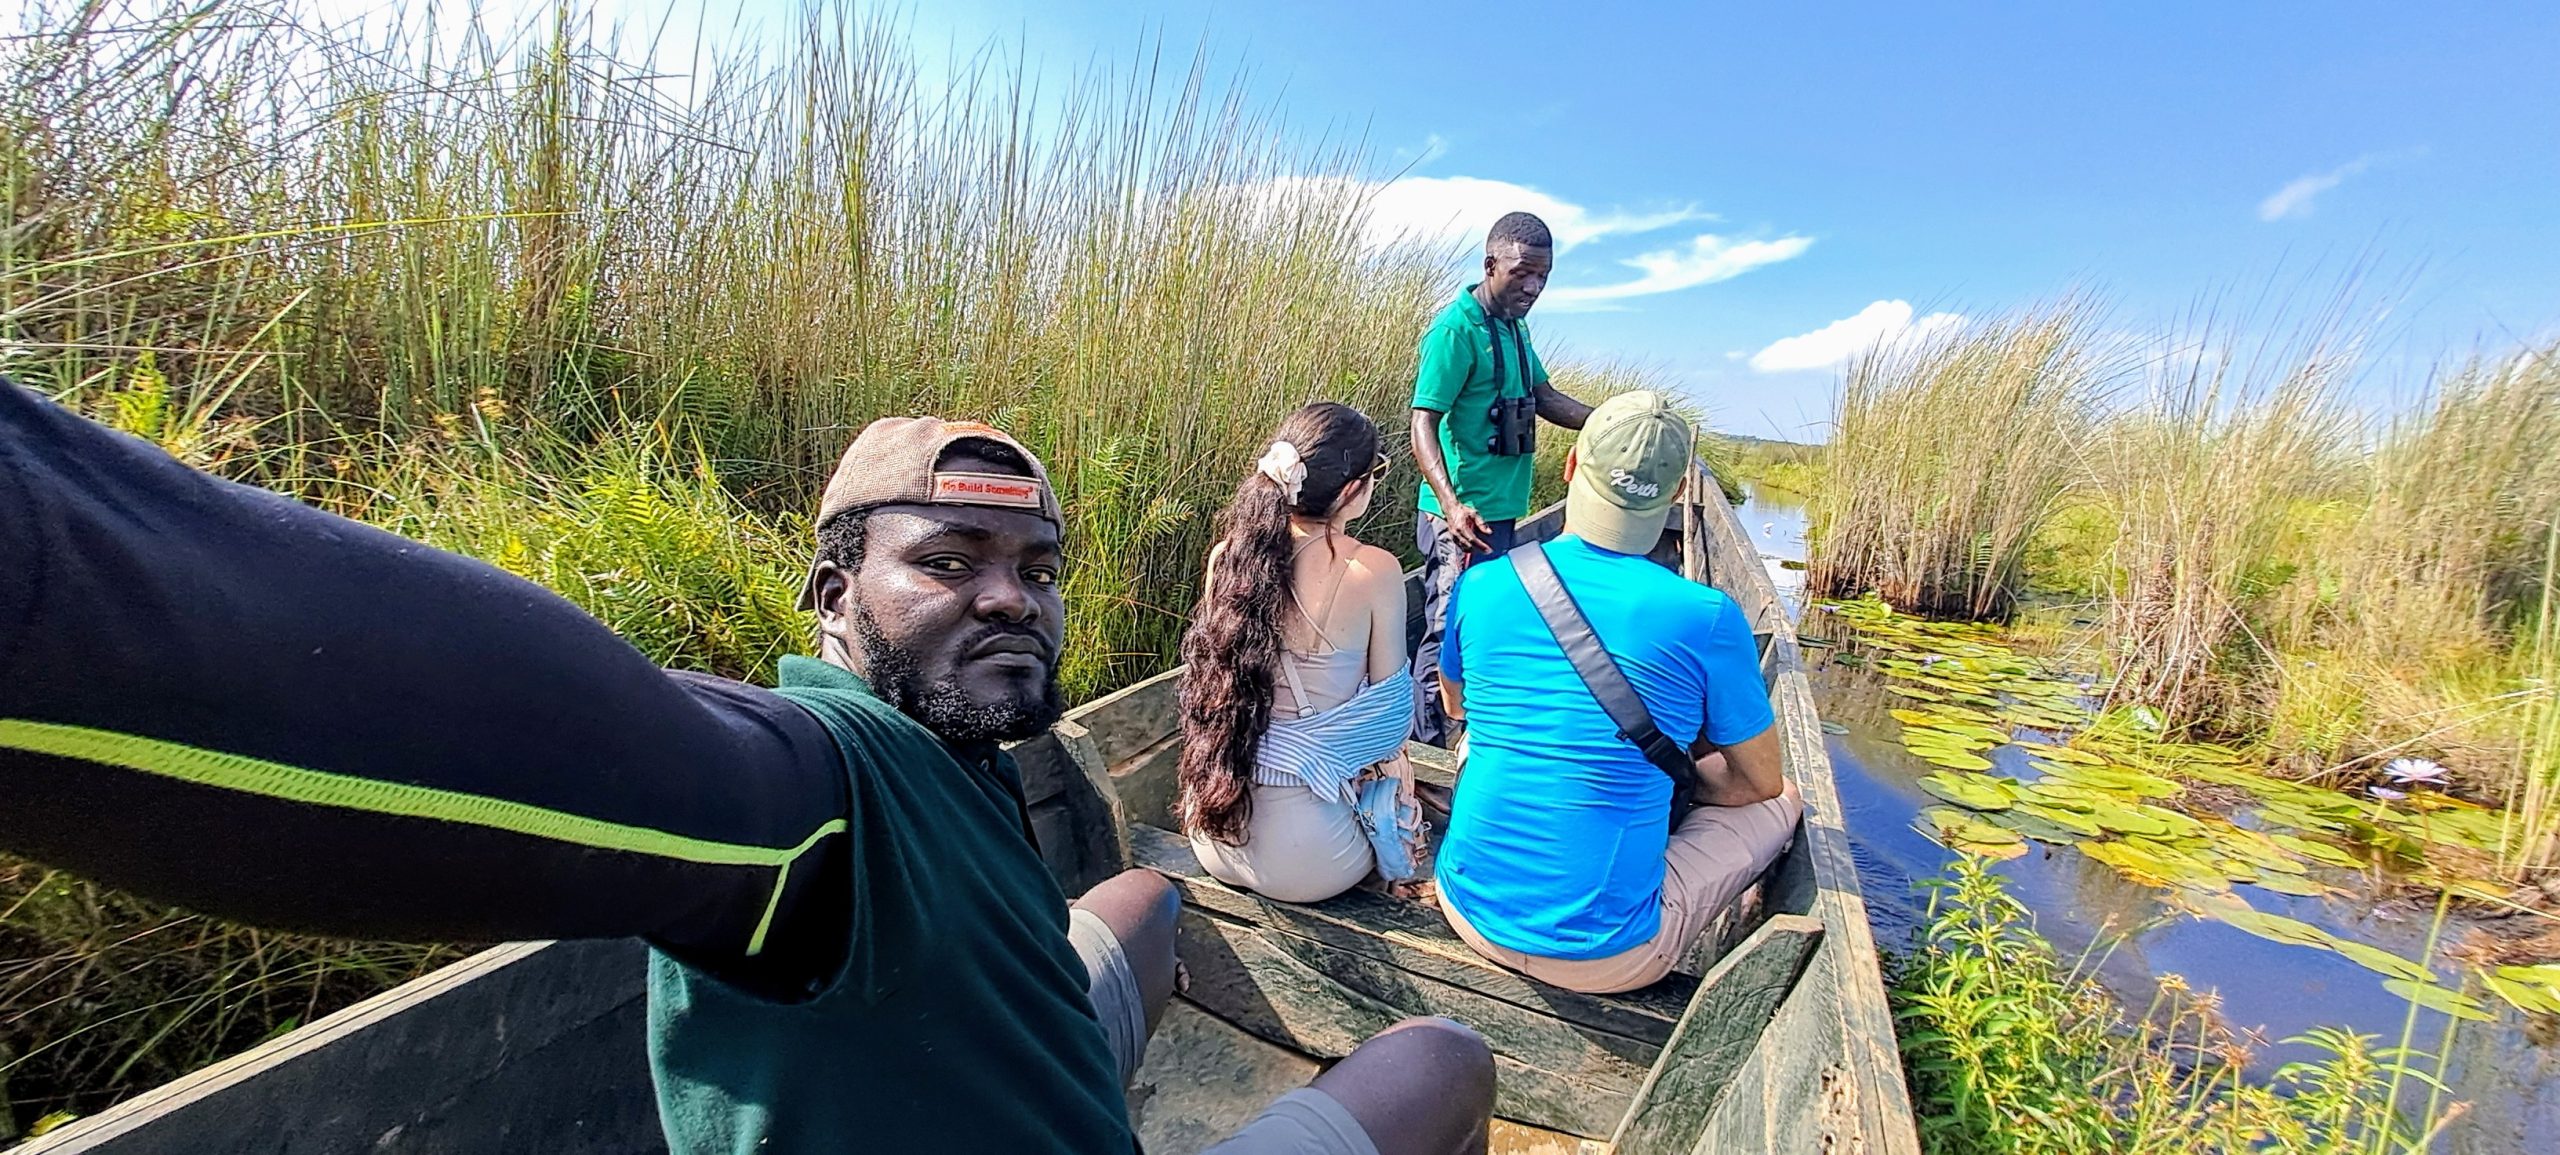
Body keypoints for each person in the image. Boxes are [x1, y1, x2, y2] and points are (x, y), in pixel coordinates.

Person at [0, 379, 1496, 1155]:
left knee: (1143, 905)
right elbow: (478, 710)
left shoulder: (952, 741)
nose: (1011, 599)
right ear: (832, 594)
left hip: (1004, 1070)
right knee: (1442, 1058)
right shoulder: (807, 784)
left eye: (1036, 568)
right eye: (947, 561)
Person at [1429, 391, 1803, 995]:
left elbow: (1455, 706)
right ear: (1677, 492)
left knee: (1482, 736)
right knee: (1783, 798)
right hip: (1607, 960)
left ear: (1572, 465)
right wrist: (1687, 782)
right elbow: (1758, 782)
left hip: (1467, 909)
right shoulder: (1708, 615)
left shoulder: (1483, 582)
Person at [1176, 403, 1419, 904]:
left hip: (1214, 828)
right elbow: (1391, 721)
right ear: (1351, 489)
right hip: (1311, 860)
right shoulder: (1372, 569)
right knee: (1398, 774)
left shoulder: (1228, 558)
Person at [1408, 211, 1593, 747]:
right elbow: (1423, 421)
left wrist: (1612, 419)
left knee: (1484, 623)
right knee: (1446, 629)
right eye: (1522, 274)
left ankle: (1468, 732)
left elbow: (1545, 398)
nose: (1533, 288)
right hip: (1462, 519)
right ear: (1490, 266)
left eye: (1543, 277)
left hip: (1504, 510)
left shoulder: (1515, 327)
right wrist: (1451, 505)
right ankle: (1429, 752)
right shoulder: (1454, 331)